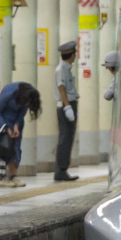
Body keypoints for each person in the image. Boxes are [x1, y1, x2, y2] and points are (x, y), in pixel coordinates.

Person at [0, 81, 42, 189]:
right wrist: (4, 127)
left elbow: (23, 111)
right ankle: (3, 178)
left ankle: (14, 176)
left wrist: (16, 125)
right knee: (3, 147)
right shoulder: (9, 93)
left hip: (15, 120)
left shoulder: (30, 93)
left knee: (15, 148)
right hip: (1, 119)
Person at [54, 40, 80, 182]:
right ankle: (61, 171)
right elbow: (61, 88)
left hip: (68, 105)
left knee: (68, 139)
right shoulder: (61, 70)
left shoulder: (66, 68)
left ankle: (63, 170)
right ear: (72, 55)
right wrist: (67, 106)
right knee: (65, 139)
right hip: (66, 106)